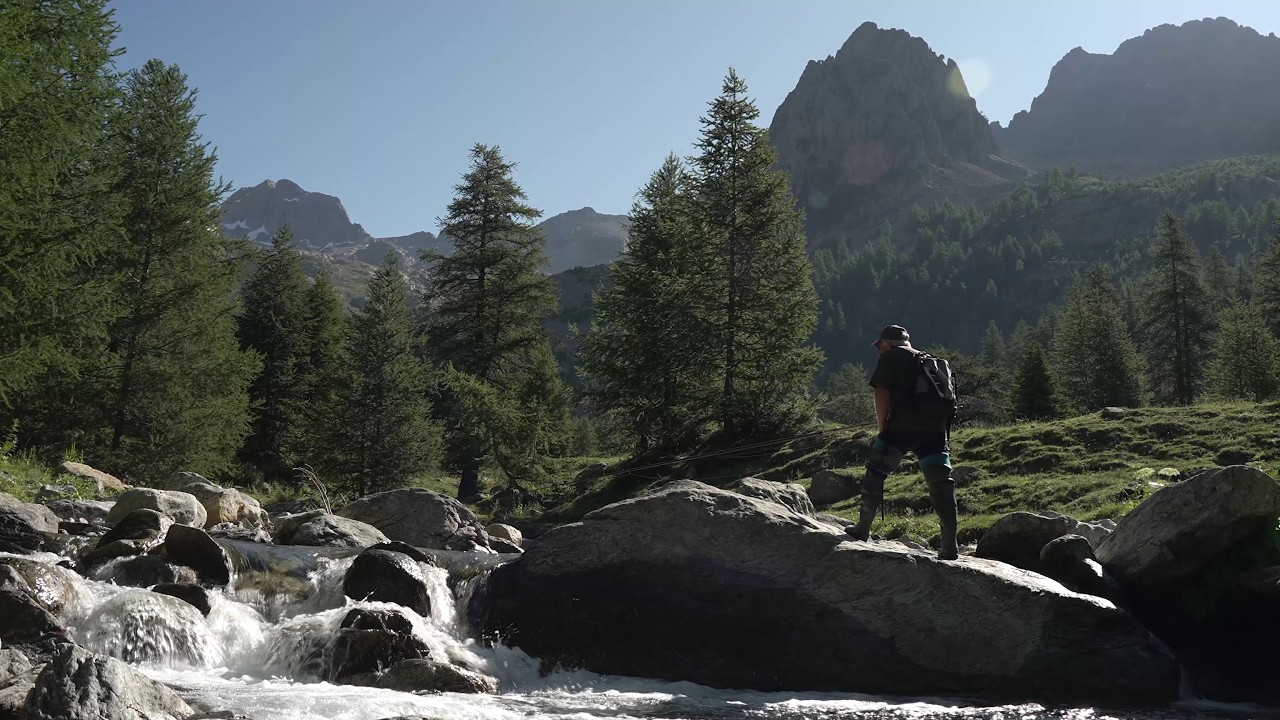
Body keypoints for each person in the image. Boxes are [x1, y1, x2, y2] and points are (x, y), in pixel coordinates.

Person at [846, 324, 959, 560]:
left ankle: (862, 529)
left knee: (875, 472)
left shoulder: (891, 358)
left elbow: (881, 393)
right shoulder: (927, 360)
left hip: (900, 428)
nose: (879, 350)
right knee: (941, 485)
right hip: (935, 432)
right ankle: (949, 546)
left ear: (887, 343)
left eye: (879, 346)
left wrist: (882, 429)